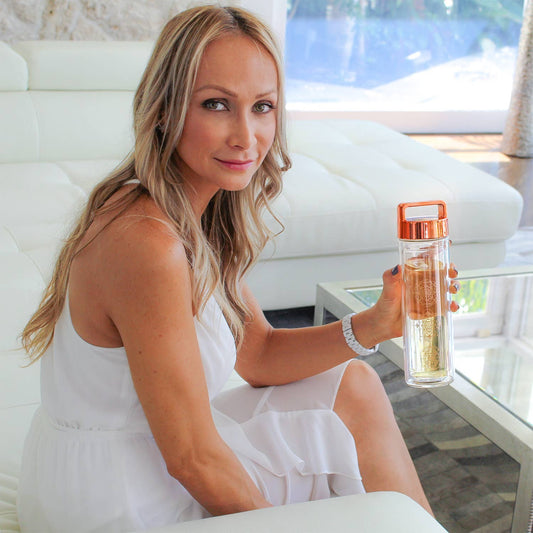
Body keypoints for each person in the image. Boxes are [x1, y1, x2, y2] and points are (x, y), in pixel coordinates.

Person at [17, 5, 459, 532]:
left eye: (263, 107)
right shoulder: (145, 243)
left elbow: (259, 353)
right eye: (217, 104)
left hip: (151, 452)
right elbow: (191, 458)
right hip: (118, 497)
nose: (246, 136)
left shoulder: (190, 212)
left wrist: (373, 326)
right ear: (165, 109)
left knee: (355, 387)